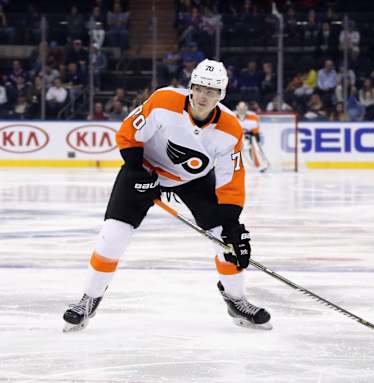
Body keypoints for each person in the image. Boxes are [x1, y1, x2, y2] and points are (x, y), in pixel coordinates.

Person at [63, 59, 271, 332]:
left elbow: (231, 180)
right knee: (114, 233)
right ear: (190, 87)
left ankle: (236, 299)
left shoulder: (230, 129)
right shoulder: (164, 100)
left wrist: (233, 224)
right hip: (145, 170)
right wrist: (138, 172)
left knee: (225, 237)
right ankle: (88, 299)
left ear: (221, 95)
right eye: (199, 88)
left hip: (194, 180)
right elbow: (129, 133)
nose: (203, 96)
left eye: (212, 91)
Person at [235, 101, 269, 172]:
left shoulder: (253, 116)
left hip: (249, 137)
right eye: (240, 108)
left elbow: (256, 131)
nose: (241, 110)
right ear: (237, 108)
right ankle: (237, 167)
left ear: (246, 108)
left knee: (255, 148)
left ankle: (261, 165)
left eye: (243, 108)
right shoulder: (232, 115)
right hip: (236, 137)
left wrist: (256, 140)